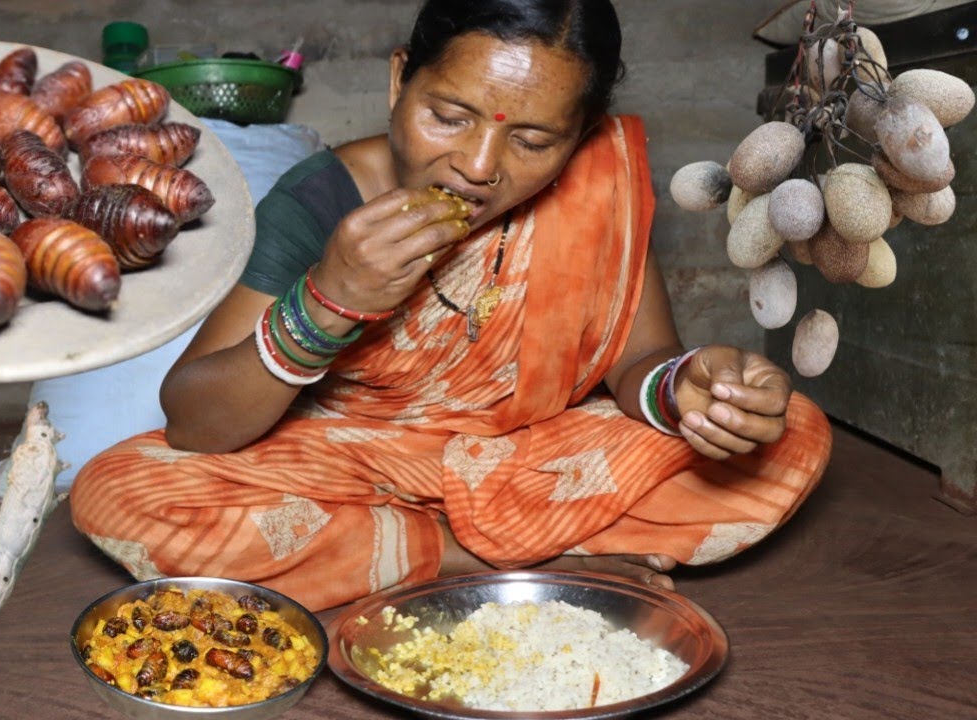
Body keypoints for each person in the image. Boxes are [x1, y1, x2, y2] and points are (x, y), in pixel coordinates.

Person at [70, 0, 833, 611]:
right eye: (448, 115)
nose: (476, 166)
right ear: (401, 79)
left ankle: (390, 551)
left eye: (533, 140)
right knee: (116, 493)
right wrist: (326, 304)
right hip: (349, 465)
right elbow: (196, 422)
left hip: (527, 461)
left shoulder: (598, 194)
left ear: (583, 137)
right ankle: (485, 560)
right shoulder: (326, 196)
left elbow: (640, 361)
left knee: (787, 434)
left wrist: (689, 392)